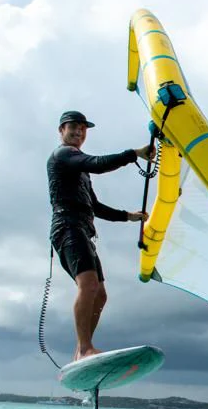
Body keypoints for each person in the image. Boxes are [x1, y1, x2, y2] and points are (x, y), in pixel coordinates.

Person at [46, 109, 155, 362]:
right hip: (67, 227)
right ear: (61, 130)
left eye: (83, 128)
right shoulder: (64, 155)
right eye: (73, 127)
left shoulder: (79, 169)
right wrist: (134, 154)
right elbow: (97, 164)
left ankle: (80, 352)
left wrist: (128, 216)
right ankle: (85, 349)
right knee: (89, 285)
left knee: (101, 294)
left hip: (82, 229)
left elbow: (95, 206)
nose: (78, 132)